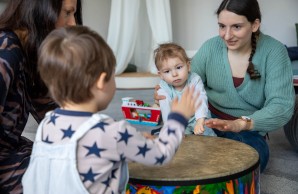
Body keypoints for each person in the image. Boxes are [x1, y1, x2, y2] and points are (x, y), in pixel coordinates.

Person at [21, 25, 200, 194]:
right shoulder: (112, 132)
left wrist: (132, 143)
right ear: (101, 81)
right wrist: (178, 118)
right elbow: (161, 154)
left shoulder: (47, 124)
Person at [155, 0, 295, 173]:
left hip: (246, 130)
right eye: (222, 26)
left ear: (255, 24)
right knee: (161, 150)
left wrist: (241, 124)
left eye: (236, 27)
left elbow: (281, 106)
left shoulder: (274, 52)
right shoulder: (211, 47)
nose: (227, 35)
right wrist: (167, 92)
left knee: (245, 164)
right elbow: (187, 81)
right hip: (205, 120)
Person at [0, 0, 82, 193]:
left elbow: (54, 115)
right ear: (41, 12)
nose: (73, 24)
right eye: (67, 13)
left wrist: (107, 135)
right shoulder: (4, 54)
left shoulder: (30, 50)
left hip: (11, 150)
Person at [154, 43, 216, 136]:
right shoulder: (163, 87)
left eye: (179, 67)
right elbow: (165, 108)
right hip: (178, 120)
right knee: (180, 141)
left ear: (188, 66)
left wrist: (200, 120)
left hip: (197, 117)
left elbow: (201, 99)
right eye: (167, 71)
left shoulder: (194, 79)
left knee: (207, 134)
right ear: (161, 75)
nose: (174, 74)